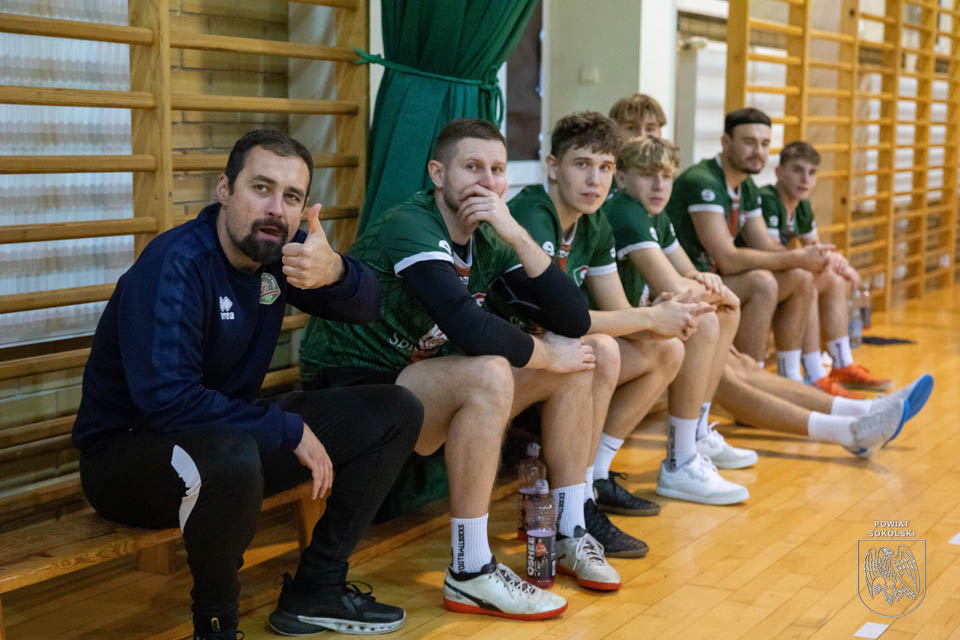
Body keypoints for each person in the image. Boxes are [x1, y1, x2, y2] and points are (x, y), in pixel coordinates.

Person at [72, 130, 424, 640]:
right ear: (225, 190)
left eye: (292, 197)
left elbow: (368, 307)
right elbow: (167, 401)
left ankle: (317, 589)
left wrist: (336, 272)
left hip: (225, 438)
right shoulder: (176, 264)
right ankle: (216, 627)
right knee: (235, 452)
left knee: (397, 410)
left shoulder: (276, 257)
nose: (276, 208)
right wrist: (286, 429)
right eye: (261, 188)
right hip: (126, 459)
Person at [299, 118, 625, 620]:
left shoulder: (491, 236)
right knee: (492, 370)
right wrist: (545, 356)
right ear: (438, 173)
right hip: (355, 390)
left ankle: (567, 531)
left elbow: (572, 319)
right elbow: (466, 326)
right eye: (472, 167)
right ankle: (470, 570)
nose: (487, 182)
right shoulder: (412, 223)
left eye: (497, 170)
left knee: (582, 358)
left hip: (421, 389)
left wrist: (515, 233)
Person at [606, 135, 931, 459]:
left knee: (744, 366)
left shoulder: (653, 212)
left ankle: (864, 411)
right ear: (621, 176)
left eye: (665, 176)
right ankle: (848, 430)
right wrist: (712, 290)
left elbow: (689, 274)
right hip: (634, 330)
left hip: (652, 322)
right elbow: (688, 281)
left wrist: (706, 286)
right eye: (648, 175)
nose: (659, 185)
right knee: (730, 375)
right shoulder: (630, 209)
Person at [502, 111, 754, 510]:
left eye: (604, 167)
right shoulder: (535, 213)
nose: (594, 180)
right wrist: (653, 317)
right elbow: (559, 320)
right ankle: (578, 496)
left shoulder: (594, 222)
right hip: (512, 354)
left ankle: (598, 475)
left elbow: (617, 309)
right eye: (582, 165)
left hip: (556, 349)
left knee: (667, 349)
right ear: (552, 167)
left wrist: (666, 320)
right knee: (604, 349)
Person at [665, 108, 830, 379]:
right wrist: (798, 256)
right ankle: (753, 377)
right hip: (683, 282)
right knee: (762, 282)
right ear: (726, 142)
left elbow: (765, 245)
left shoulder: (746, 185)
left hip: (715, 280)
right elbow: (728, 259)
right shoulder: (703, 181)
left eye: (765, 144)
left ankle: (793, 375)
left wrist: (810, 257)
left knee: (801, 277)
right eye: (750, 142)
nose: (759, 152)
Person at [753, 141, 891, 393]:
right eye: (797, 170)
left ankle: (842, 364)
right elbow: (771, 252)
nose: (805, 179)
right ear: (779, 172)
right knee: (807, 280)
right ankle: (814, 373)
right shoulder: (768, 199)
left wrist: (838, 262)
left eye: (812, 172)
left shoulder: (801, 205)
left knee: (834, 279)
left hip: (779, 277)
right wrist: (822, 259)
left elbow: (815, 248)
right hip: (757, 278)